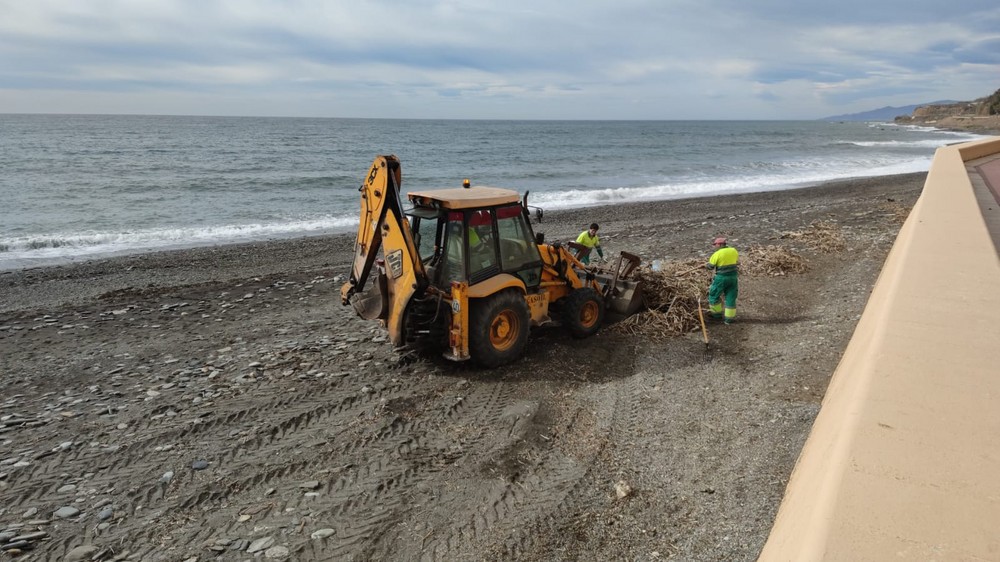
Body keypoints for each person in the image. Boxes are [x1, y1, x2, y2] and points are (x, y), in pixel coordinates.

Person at [706, 236, 739, 324]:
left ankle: (716, 316)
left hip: (721, 278)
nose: (714, 246)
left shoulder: (717, 254)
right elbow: (735, 261)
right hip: (733, 278)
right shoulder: (733, 250)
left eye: (715, 245)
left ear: (720, 244)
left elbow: (710, 267)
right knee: (731, 297)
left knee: (713, 296)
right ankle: (729, 319)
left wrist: (706, 265)